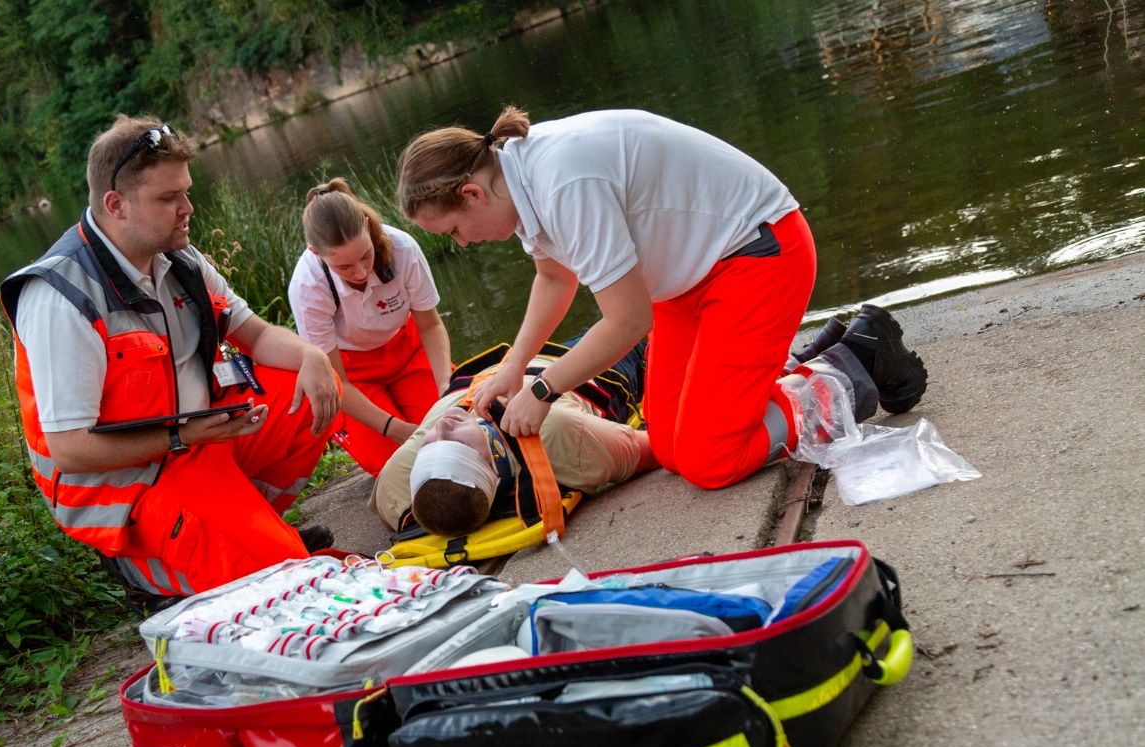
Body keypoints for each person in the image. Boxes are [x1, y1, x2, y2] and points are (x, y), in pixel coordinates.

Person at [396, 107, 927, 492]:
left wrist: (544, 388)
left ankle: (848, 364)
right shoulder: (518, 181)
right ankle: (778, 371)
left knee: (711, 460)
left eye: (455, 230)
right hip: (689, 280)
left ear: (472, 193)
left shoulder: (560, 182)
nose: (461, 243)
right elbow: (554, 279)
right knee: (670, 447)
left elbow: (627, 320)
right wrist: (512, 369)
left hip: (760, 254)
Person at [0, 115, 342, 600]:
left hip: (194, 445)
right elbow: (71, 452)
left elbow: (258, 336)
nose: (188, 208)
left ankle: (255, 532)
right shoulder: (60, 297)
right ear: (116, 205)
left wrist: (311, 355)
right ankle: (156, 572)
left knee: (307, 391)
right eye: (168, 199)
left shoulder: (177, 257)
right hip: (130, 481)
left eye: (185, 192)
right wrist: (183, 434)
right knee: (280, 582)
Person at [371, 338, 657, 536]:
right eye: (455, 442)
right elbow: (653, 448)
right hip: (589, 364)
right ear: (494, 464)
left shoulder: (400, 479)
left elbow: (395, 500)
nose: (444, 425)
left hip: (517, 359)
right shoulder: (555, 432)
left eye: (429, 443)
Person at [288, 178, 452, 476]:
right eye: (344, 267)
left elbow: (430, 325)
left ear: (367, 225)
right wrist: (394, 428)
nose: (361, 271)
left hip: (407, 351)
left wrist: (446, 388)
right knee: (398, 468)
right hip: (352, 375)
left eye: (365, 256)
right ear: (315, 252)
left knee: (451, 436)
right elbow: (336, 381)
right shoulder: (307, 285)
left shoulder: (401, 247)